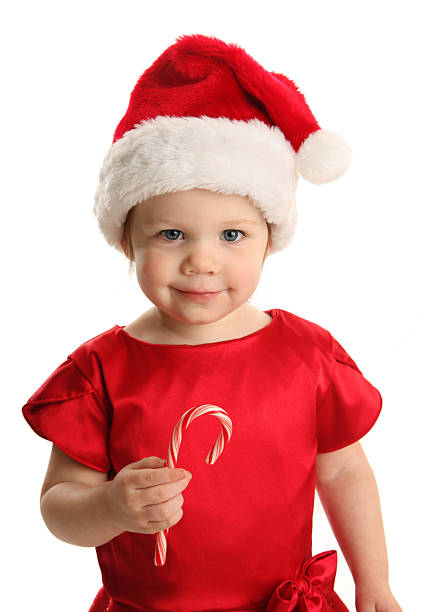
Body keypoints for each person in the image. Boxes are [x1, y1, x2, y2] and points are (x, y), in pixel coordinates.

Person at [21, 33, 402, 612]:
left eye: (232, 235)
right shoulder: (100, 371)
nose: (202, 261)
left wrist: (373, 581)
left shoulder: (307, 355)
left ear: (270, 237)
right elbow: (58, 507)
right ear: (127, 239)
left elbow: (345, 473)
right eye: (171, 234)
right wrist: (110, 508)